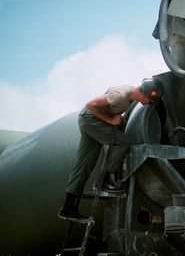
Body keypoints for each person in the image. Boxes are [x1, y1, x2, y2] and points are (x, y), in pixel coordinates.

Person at [58, 78, 163, 222]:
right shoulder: (121, 94)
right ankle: (105, 180)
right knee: (122, 143)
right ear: (144, 95)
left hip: (93, 122)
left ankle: (67, 208)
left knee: (85, 165)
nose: (148, 104)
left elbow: (109, 95)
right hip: (90, 119)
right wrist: (109, 120)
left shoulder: (132, 98)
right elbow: (90, 105)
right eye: (150, 101)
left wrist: (113, 116)